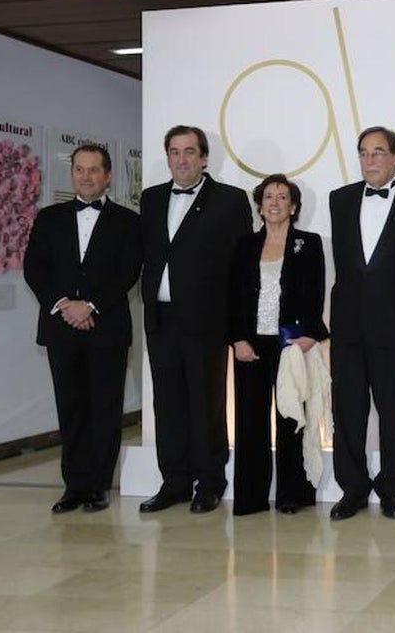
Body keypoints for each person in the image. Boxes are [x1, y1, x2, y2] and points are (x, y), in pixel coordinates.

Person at [139, 125, 253, 514]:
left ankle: (209, 481)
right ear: (167, 156)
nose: (182, 159)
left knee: (206, 403)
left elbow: (241, 270)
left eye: (190, 152)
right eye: (175, 152)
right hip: (161, 318)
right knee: (166, 403)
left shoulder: (230, 200)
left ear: (204, 158)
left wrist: (237, 327)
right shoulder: (151, 199)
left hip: (206, 321)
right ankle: (174, 480)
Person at [23, 144, 141, 514]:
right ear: (72, 173)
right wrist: (64, 305)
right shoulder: (48, 217)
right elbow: (35, 268)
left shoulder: (128, 220)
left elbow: (128, 271)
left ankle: (98, 487)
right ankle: (73, 486)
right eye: (79, 169)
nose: (86, 176)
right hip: (61, 327)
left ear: (107, 176)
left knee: (105, 409)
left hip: (107, 327)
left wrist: (90, 305)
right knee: (71, 408)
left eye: (94, 170)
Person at [328, 127, 395, 521]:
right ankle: (351, 489)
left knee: (394, 410)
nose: (370, 161)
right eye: (364, 153)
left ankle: (390, 488)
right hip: (349, 324)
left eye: (378, 153)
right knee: (347, 411)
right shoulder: (341, 199)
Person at [227, 174, 328, 516]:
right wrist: (237, 338)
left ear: (293, 206)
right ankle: (251, 498)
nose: (274, 202)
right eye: (268, 196)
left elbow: (316, 293)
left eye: (282, 197)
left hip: (291, 345)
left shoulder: (309, 243)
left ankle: (292, 495)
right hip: (250, 346)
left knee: (291, 419)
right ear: (260, 205)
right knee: (249, 420)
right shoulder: (244, 245)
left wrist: (310, 335)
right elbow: (235, 298)